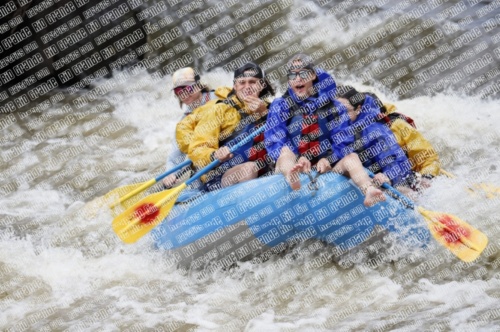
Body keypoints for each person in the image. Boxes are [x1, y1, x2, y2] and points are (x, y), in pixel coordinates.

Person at [187, 62, 275, 191]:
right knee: (248, 169)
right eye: (242, 82)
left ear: (262, 85)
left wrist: (263, 114)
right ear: (235, 86)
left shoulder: (272, 109)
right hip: (222, 177)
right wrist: (214, 154)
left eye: (252, 82)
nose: (247, 87)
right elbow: (196, 149)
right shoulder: (219, 110)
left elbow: (285, 139)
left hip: (264, 171)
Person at [264, 53, 344, 190]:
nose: (298, 79)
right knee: (284, 152)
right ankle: (292, 176)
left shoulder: (335, 107)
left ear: (313, 75)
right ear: (289, 81)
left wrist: (329, 159)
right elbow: (274, 140)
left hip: (324, 166)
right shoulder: (281, 105)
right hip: (292, 161)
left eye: (303, 74)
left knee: (351, 157)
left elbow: (344, 140)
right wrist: (298, 158)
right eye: (292, 75)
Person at [337, 86, 441, 186]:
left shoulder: (396, 125)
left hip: (406, 172)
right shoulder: (346, 127)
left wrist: (427, 177)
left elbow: (428, 156)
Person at [331, 90, 417, 203]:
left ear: (358, 109)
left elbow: (390, 158)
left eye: (346, 111)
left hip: (377, 176)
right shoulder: (334, 125)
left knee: (403, 189)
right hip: (352, 170)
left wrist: (388, 177)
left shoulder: (374, 130)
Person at [163, 67, 230, 188]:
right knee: (196, 179)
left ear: (198, 85)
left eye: (188, 88)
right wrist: (169, 175)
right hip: (207, 167)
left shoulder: (221, 97)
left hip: (231, 152)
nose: (184, 94)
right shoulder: (183, 123)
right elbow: (173, 159)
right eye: (179, 90)